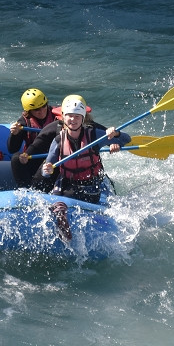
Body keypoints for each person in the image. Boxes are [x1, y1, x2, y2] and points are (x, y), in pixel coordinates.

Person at [40, 96, 130, 241]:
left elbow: (126, 140)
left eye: (77, 117)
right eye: (69, 116)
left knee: (78, 200)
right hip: (66, 183)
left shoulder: (94, 135)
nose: (73, 120)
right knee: (58, 203)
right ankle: (64, 233)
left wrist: (116, 135)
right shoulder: (58, 140)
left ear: (83, 119)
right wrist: (47, 170)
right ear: (63, 117)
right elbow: (46, 172)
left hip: (90, 184)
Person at [17, 94, 104, 191]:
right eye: (70, 115)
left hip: (88, 169)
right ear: (64, 114)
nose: (73, 120)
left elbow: (114, 137)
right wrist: (27, 154)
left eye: (77, 115)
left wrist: (114, 143)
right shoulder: (55, 127)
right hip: (61, 166)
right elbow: (38, 144)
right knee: (39, 182)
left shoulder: (93, 128)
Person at [6, 88, 55, 187]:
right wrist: (14, 135)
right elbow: (12, 149)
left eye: (43, 106)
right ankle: (25, 190)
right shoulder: (24, 122)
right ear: (28, 111)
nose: (41, 111)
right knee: (16, 158)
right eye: (37, 109)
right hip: (33, 158)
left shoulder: (57, 115)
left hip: (54, 158)